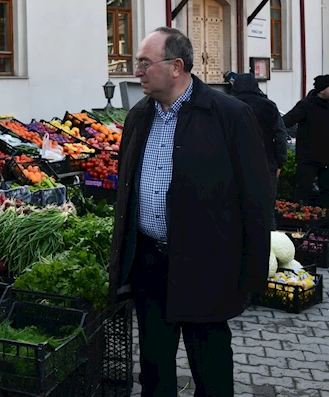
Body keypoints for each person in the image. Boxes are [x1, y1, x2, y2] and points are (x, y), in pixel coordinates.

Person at [108, 27, 271, 397]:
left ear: (176, 66)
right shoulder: (138, 117)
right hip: (150, 265)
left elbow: (257, 200)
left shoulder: (230, 115)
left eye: (144, 63)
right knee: (154, 367)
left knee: (210, 368)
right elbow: (126, 193)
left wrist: (251, 274)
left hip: (207, 265)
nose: (137, 71)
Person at [231, 73, 288, 228]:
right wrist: (280, 162)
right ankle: (269, 246)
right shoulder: (268, 106)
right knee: (265, 209)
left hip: (233, 164)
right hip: (265, 163)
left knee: (235, 208)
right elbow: (280, 135)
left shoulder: (227, 104)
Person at [282, 74, 329, 209]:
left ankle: (326, 223)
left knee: (328, 194)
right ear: (322, 90)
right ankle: (300, 221)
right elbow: (286, 121)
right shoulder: (306, 105)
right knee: (302, 193)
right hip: (308, 158)